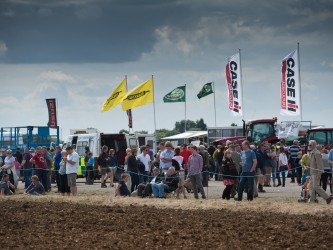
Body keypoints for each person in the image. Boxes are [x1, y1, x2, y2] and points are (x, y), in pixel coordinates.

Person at [308, 140, 332, 204]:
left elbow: (320, 164)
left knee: (316, 186)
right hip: (312, 172)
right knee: (311, 187)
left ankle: (327, 197)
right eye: (309, 145)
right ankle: (312, 200)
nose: (309, 146)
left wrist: (319, 173)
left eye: (310, 145)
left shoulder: (317, 153)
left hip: (316, 173)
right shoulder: (311, 153)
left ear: (314, 145)